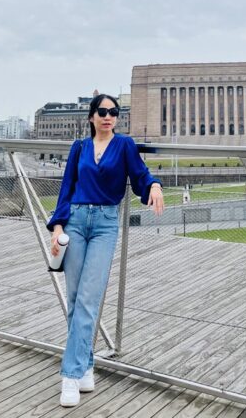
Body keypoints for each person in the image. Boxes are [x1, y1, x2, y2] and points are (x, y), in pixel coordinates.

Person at [46, 93, 164, 407]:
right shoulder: (79, 147)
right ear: (91, 116)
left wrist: (154, 185)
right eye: (102, 111)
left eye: (114, 112)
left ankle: (70, 375)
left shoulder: (124, 145)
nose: (108, 116)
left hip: (105, 224)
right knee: (75, 300)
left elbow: (140, 175)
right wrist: (57, 227)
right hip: (75, 222)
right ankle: (85, 366)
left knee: (88, 298)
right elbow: (66, 189)